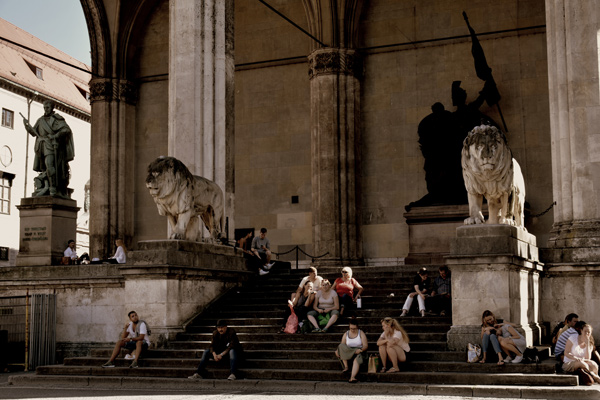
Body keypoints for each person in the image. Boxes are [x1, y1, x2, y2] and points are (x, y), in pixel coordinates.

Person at [22, 99, 75, 198]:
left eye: (47, 107)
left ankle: (53, 187)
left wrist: (56, 136)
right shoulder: (40, 120)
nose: (45, 110)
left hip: (51, 145)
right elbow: (34, 133)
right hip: (40, 146)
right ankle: (45, 186)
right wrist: (27, 126)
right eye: (44, 108)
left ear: (52, 108)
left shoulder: (57, 119)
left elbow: (66, 129)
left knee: (49, 164)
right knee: (44, 168)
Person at [335, 317, 368, 383]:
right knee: (340, 346)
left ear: (357, 327)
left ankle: (352, 377)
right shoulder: (346, 333)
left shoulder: (360, 332)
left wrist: (360, 349)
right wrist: (337, 350)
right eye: (351, 328)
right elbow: (342, 345)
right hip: (349, 351)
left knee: (357, 358)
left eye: (354, 329)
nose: (352, 330)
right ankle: (346, 366)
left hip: (359, 351)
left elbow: (365, 346)